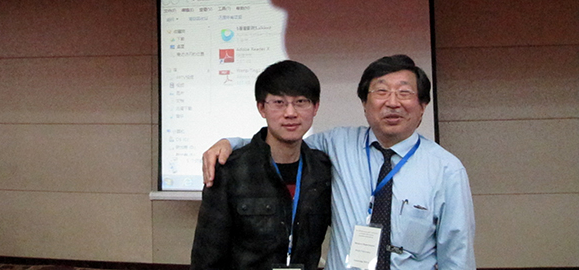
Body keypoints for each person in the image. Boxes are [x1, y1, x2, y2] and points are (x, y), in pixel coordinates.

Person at [203, 54, 476, 270]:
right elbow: (284, 140)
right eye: (381, 92)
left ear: (423, 106)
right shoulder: (338, 144)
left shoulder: (446, 169)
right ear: (364, 104)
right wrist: (230, 143)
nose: (392, 103)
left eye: (404, 93)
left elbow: (457, 254)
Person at [191, 60, 332, 270]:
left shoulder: (323, 170)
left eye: (301, 101)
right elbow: (207, 259)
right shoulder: (229, 171)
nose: (290, 113)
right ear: (261, 108)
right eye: (279, 102)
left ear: (315, 108)